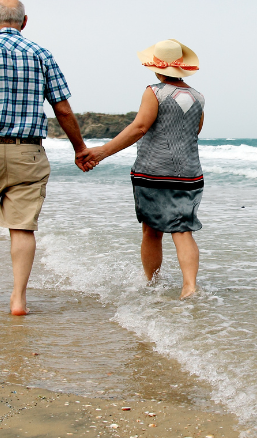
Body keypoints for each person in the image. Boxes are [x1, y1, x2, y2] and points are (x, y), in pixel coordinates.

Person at [0, 0, 92, 315]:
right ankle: (18, 298)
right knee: (23, 227)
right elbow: (62, 107)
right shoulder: (41, 54)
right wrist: (79, 148)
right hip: (28, 151)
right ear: (24, 22)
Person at [81, 39, 205, 299]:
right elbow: (194, 133)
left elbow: (139, 128)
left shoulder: (155, 91)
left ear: (157, 68)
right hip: (190, 174)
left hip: (153, 172)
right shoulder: (198, 97)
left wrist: (102, 152)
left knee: (152, 230)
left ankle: (151, 283)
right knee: (183, 229)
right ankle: (189, 286)